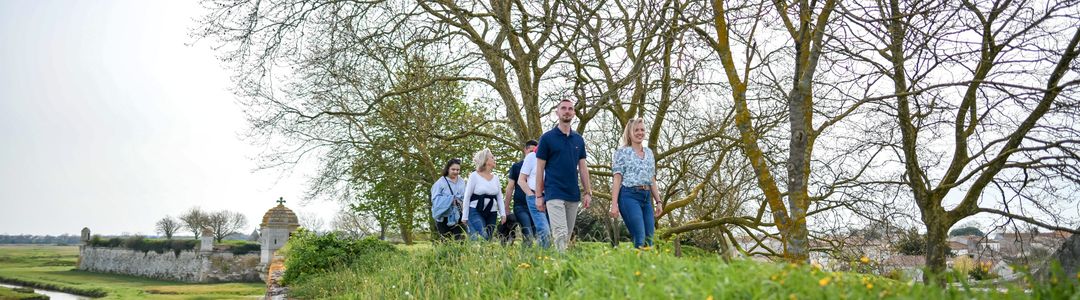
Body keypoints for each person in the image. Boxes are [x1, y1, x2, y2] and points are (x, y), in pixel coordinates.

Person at [534, 99, 592, 252]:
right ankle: (562, 268)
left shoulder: (578, 139)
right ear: (557, 112)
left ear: (573, 113)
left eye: (570, 109)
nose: (567, 111)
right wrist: (539, 196)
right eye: (563, 108)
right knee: (560, 233)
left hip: (573, 194)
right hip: (553, 192)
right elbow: (540, 169)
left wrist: (588, 192)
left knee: (566, 236)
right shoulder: (546, 138)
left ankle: (559, 266)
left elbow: (583, 167)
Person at [608, 118, 662, 248]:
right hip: (629, 196)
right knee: (640, 236)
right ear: (630, 133)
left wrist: (658, 201)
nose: (640, 133)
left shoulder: (649, 153)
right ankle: (637, 267)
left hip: (646, 198)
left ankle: (645, 267)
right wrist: (613, 204)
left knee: (649, 239)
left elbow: (652, 179)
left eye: (642, 130)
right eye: (636, 130)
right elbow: (617, 178)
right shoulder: (622, 152)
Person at [460, 149, 508, 240]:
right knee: (483, 233)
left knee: (488, 238)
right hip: (475, 210)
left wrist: (503, 214)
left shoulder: (496, 178)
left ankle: (483, 254)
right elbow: (467, 196)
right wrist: (465, 216)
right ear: (485, 160)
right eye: (492, 157)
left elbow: (499, 198)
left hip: (492, 212)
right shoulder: (474, 176)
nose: (495, 159)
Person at [504, 140, 542, 246]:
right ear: (525, 150)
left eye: (534, 152)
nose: (532, 154)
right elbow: (510, 187)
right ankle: (525, 258)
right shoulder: (516, 167)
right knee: (527, 232)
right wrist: (506, 207)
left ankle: (527, 257)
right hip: (521, 206)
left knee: (535, 234)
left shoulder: (539, 166)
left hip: (535, 205)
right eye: (530, 151)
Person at [430, 158, 466, 240]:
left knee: (460, 241)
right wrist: (450, 199)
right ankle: (445, 253)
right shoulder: (440, 183)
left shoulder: (462, 181)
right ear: (448, 169)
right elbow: (435, 200)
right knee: (446, 241)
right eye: (453, 169)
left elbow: (465, 196)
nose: (456, 172)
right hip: (443, 217)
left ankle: (459, 253)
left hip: (459, 215)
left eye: (458, 170)